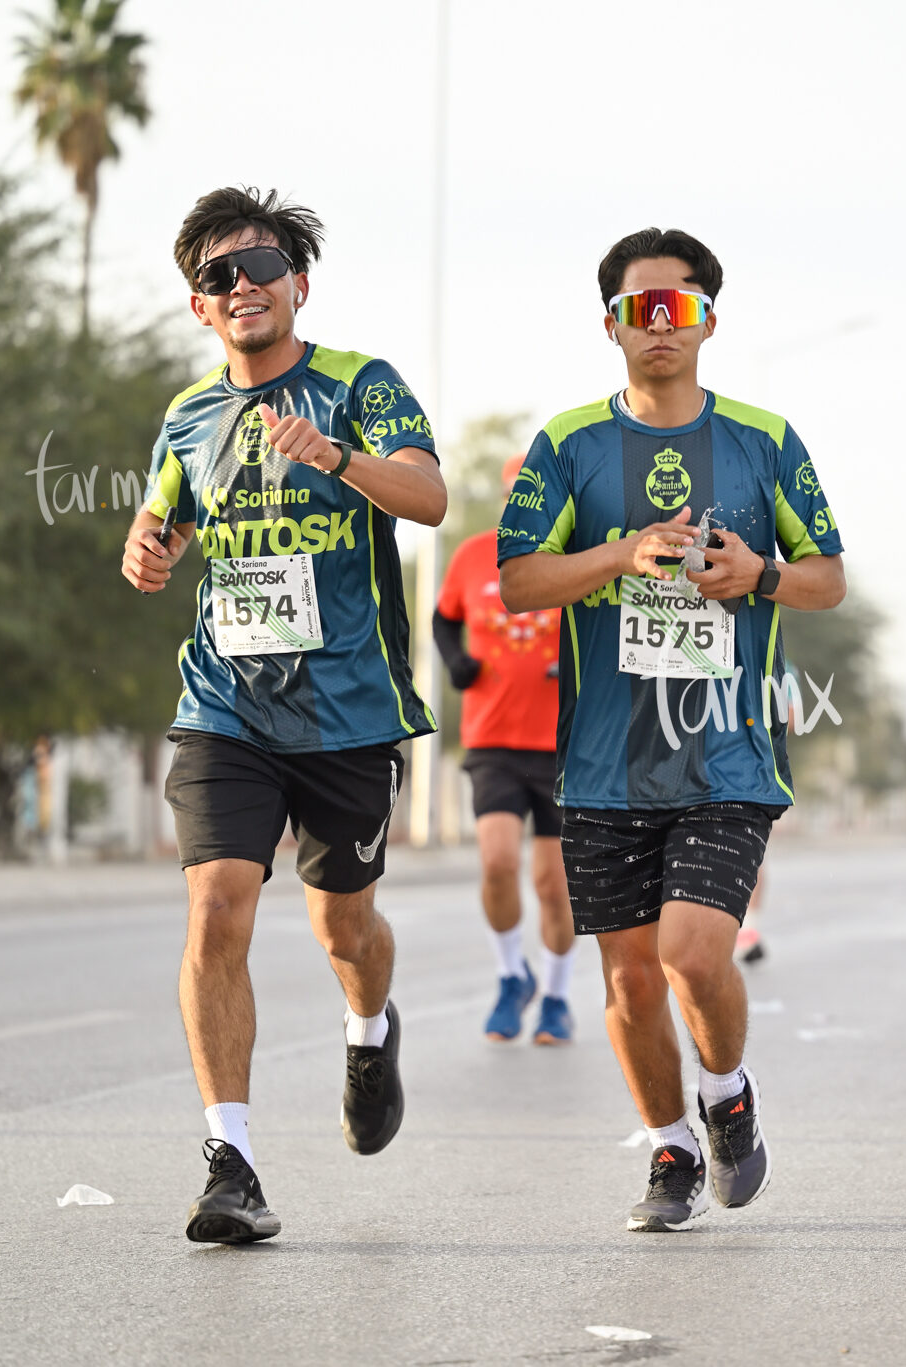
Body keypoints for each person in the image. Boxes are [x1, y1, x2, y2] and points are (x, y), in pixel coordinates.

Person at [496, 227, 846, 1232]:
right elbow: (519, 578)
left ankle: (725, 1092)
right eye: (639, 309)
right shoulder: (567, 444)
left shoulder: (763, 440)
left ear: (708, 321)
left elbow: (827, 576)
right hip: (603, 762)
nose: (660, 325)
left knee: (692, 953)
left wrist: (759, 574)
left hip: (725, 747)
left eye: (678, 307)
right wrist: (619, 554)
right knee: (630, 980)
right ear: (610, 324)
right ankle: (670, 1144)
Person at [120, 188, 445, 1244]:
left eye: (260, 264)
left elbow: (428, 497)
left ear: (297, 283)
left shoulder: (360, 385)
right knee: (217, 906)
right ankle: (232, 1161)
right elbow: (162, 517)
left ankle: (369, 1026)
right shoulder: (188, 415)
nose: (242, 285)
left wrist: (337, 457)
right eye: (218, 275)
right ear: (200, 306)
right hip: (226, 704)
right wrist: (146, 548)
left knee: (343, 925)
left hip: (349, 711)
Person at [433, 456, 576, 1043]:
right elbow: (444, 621)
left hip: (562, 746)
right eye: (515, 493)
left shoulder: (572, 560)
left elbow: (601, 633)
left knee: (553, 886)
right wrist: (456, 663)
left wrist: (571, 668)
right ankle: (512, 974)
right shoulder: (474, 555)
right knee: (496, 862)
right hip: (492, 738)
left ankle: (556, 997)